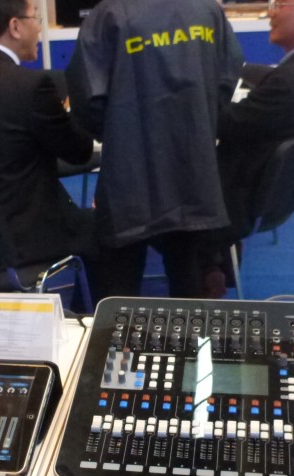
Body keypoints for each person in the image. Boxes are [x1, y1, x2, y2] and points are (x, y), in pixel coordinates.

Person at [66, 0, 243, 299]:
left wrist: (118, 133)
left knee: (120, 288)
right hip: (192, 170)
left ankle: (121, 329)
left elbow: (88, 97)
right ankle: (187, 328)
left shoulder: (109, 14)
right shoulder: (208, 10)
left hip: (130, 173)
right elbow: (227, 78)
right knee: (188, 274)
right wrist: (200, 121)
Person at [0, 0, 96, 279]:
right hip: (27, 238)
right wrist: (75, 112)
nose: (39, 29)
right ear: (15, 27)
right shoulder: (31, 87)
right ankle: (89, 304)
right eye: (35, 19)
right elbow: (80, 152)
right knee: (110, 229)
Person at [216, 0, 294, 243]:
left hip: (241, 201)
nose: (270, 13)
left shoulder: (292, 80)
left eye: (280, 5)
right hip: (286, 195)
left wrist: (209, 89)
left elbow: (224, 125)